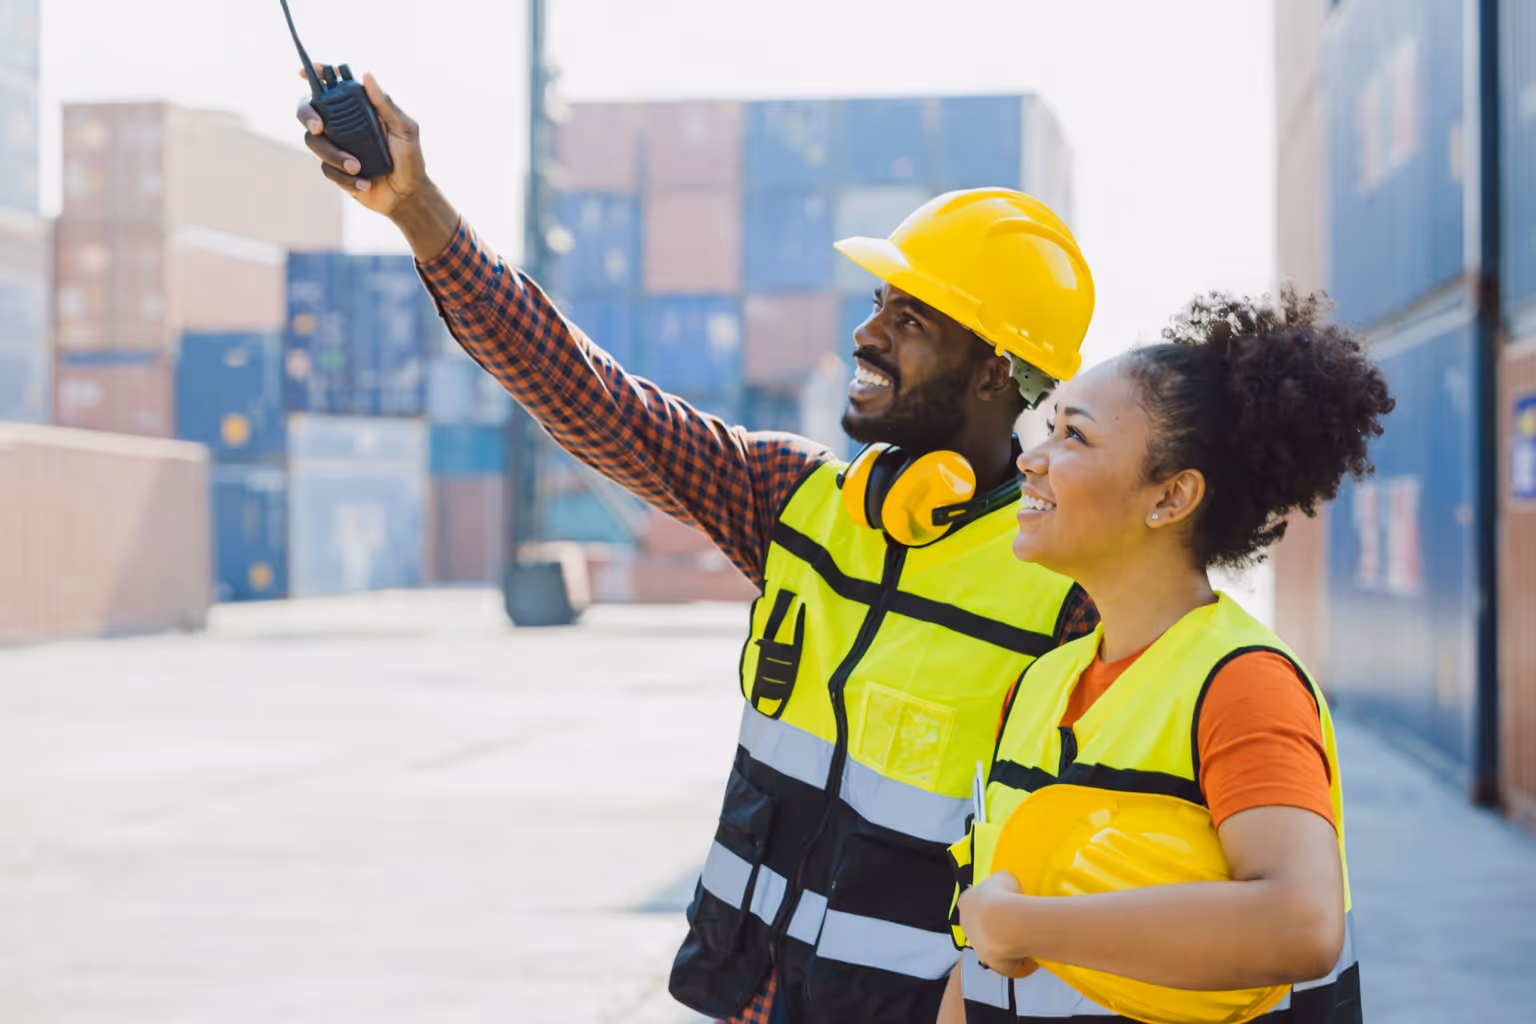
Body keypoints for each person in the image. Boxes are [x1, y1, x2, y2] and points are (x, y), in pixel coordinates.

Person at [296, 75, 1099, 1023]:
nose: (865, 330)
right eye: (878, 301)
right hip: (747, 1001)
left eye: (908, 318)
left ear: (995, 369)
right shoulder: (796, 504)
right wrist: (416, 209)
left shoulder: (1071, 598)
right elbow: (587, 396)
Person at [941, 290, 1391, 1023]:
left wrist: (1027, 928)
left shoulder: (1241, 686)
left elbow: (1301, 925)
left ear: (1172, 496)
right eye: (1047, 428)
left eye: (1073, 438)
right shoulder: (1038, 686)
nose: (1031, 457)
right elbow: (985, 949)